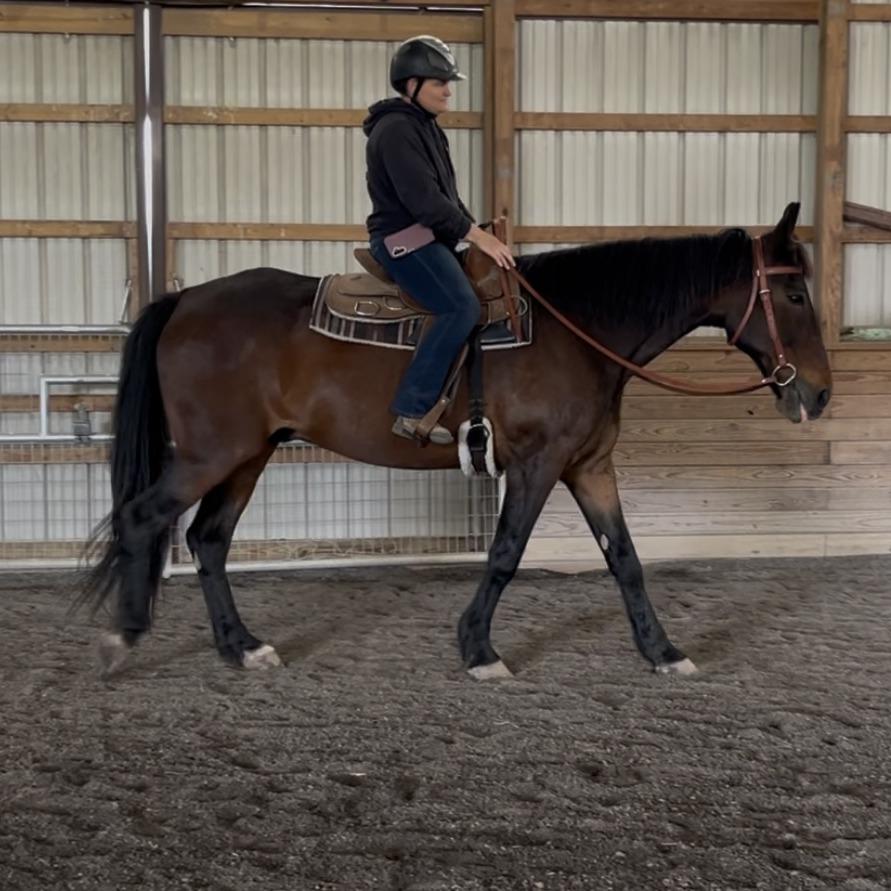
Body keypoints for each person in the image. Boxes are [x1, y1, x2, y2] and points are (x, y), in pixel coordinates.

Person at [363, 34, 514, 445]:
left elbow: (448, 198)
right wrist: (478, 237)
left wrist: (472, 226)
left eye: (448, 82)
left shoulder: (426, 128)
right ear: (411, 85)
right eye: (439, 82)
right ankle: (412, 409)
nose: (449, 91)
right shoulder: (395, 131)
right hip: (404, 240)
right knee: (460, 306)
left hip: (429, 236)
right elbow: (425, 202)